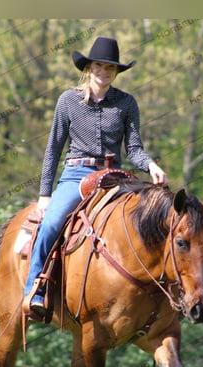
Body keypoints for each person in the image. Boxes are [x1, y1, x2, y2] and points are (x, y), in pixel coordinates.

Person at [23, 36, 168, 319]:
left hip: (116, 176)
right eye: (99, 66)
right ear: (88, 68)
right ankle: (35, 289)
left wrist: (150, 166)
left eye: (110, 68)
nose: (104, 72)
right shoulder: (68, 101)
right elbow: (53, 148)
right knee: (51, 223)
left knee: (146, 222)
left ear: (116, 72)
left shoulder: (127, 103)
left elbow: (134, 148)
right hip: (77, 174)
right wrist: (44, 193)